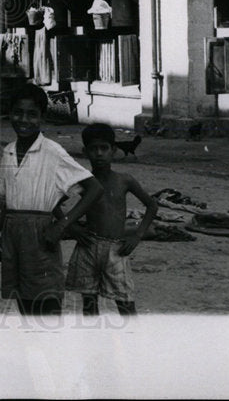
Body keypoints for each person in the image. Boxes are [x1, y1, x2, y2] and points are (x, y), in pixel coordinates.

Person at [0, 83, 104, 316]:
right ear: (9, 113)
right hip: (13, 234)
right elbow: (10, 198)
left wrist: (62, 225)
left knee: (46, 303)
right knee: (23, 302)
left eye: (32, 114)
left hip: (40, 236)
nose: (24, 120)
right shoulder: (9, 151)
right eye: (18, 112)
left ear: (42, 116)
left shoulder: (53, 152)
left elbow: (94, 188)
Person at [65, 123, 158, 316]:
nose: (99, 153)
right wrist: (73, 229)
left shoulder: (124, 180)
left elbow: (151, 205)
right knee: (89, 303)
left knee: (125, 302)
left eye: (104, 148)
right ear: (85, 151)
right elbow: (54, 202)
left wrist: (137, 235)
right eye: (93, 148)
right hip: (88, 247)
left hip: (116, 249)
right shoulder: (83, 181)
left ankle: (133, 343)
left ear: (113, 150)